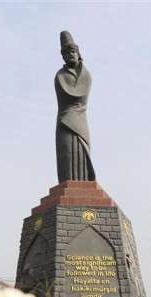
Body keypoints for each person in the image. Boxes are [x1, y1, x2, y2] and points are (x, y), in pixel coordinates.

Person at [55, 31, 95, 183]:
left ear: (78, 54)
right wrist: (74, 105)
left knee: (82, 153)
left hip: (80, 122)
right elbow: (67, 98)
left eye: (72, 51)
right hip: (65, 121)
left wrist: (75, 105)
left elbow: (80, 97)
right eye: (66, 53)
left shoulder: (86, 75)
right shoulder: (60, 76)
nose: (70, 55)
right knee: (67, 154)